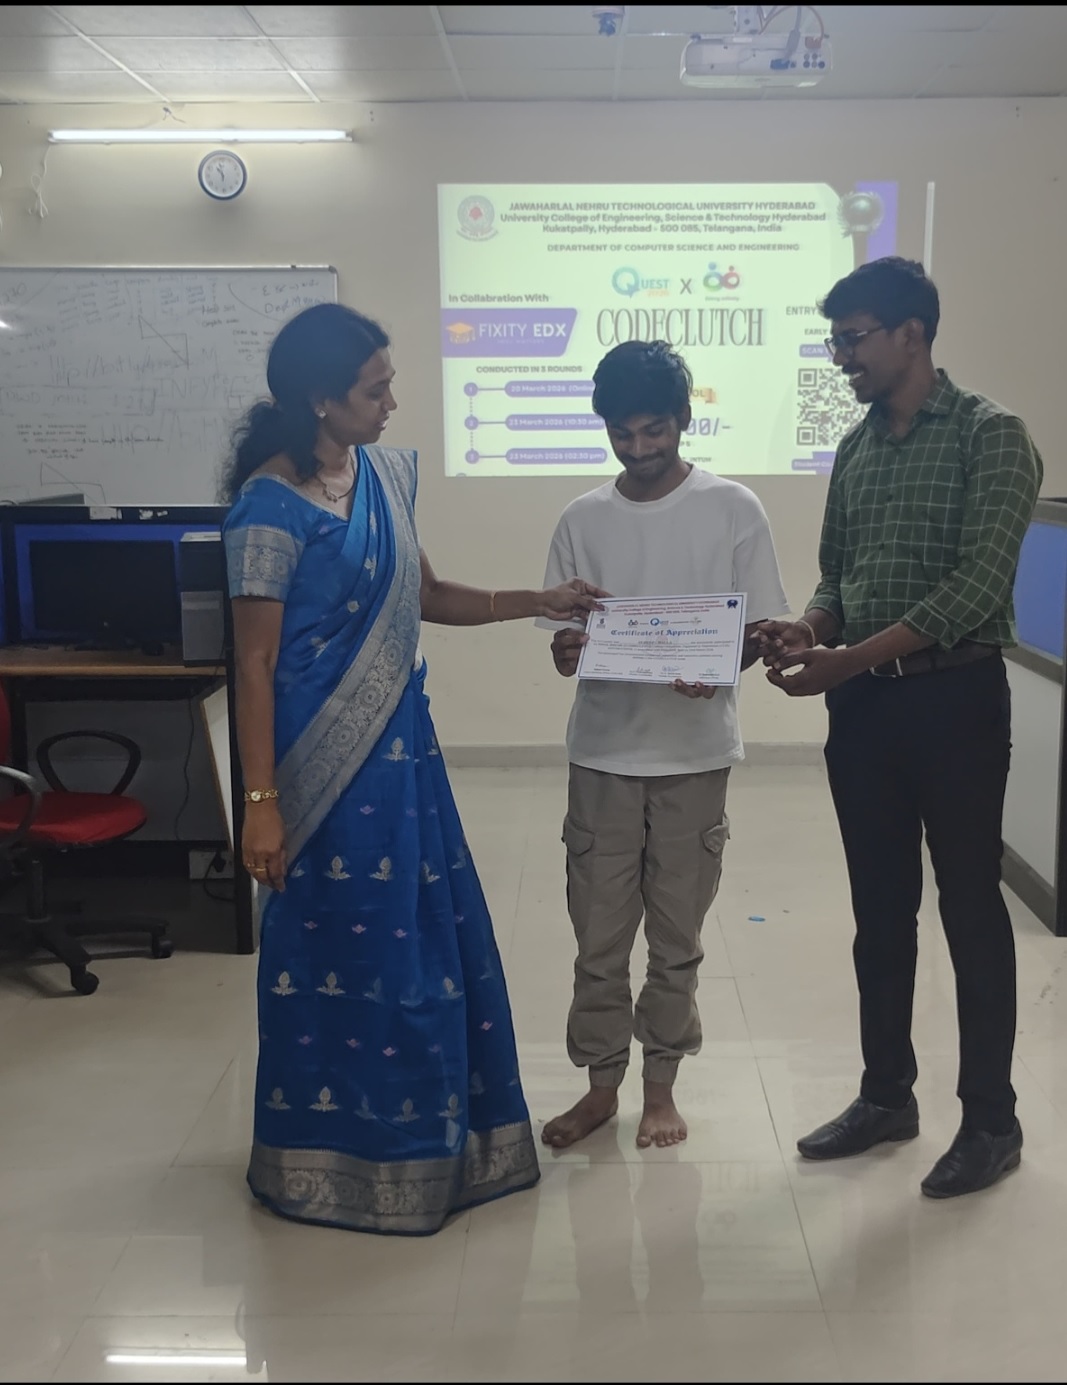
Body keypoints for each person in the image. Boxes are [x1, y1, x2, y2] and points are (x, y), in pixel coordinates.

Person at [221, 302, 605, 1234]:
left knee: (423, 944)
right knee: (338, 953)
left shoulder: (382, 476)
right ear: (320, 399)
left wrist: (537, 600)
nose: (392, 402)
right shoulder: (266, 509)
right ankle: (339, 1152)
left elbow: (426, 593)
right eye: (375, 388)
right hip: (317, 772)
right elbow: (255, 664)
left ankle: (435, 1140)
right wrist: (261, 802)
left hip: (401, 759)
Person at [757, 257, 1043, 1199]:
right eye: (834, 340)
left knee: (969, 908)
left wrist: (848, 658)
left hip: (954, 702)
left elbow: (975, 588)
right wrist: (810, 627)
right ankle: (886, 1096)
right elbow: (838, 575)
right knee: (879, 912)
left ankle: (991, 1120)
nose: (840, 356)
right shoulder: (855, 446)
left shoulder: (991, 436)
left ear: (911, 334)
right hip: (864, 714)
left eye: (853, 338)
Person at [537, 339, 788, 1150]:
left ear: (684, 418)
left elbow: (756, 630)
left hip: (694, 756)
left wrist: (719, 667)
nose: (639, 448)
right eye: (622, 433)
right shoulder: (581, 518)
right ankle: (599, 1086)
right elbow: (562, 642)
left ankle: (660, 1088)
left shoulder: (733, 508)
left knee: (675, 939)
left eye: (654, 430)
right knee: (597, 939)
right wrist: (567, 650)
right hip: (602, 755)